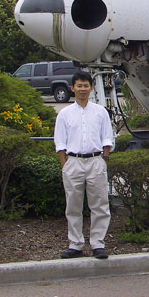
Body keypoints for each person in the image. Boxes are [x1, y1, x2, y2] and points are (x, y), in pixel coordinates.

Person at [54, 71, 113, 259]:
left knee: (100, 205)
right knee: (73, 206)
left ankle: (98, 243)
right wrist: (65, 164)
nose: (82, 89)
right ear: (72, 88)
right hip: (73, 162)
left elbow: (107, 137)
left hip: (96, 161)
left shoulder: (100, 112)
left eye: (85, 85)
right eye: (79, 86)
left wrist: (104, 158)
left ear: (91, 88)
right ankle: (76, 244)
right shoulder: (64, 114)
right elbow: (60, 142)